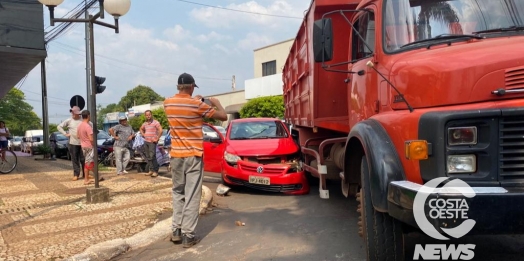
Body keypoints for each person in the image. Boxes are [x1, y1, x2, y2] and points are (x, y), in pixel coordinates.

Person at [164, 72, 227, 248]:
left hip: (176, 155)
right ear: (192, 87)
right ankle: (188, 235)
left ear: (178, 87)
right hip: (193, 155)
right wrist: (215, 103)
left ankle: (176, 230)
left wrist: (196, 101)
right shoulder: (197, 105)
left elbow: (184, 106)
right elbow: (223, 117)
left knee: (178, 192)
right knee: (192, 195)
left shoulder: (167, 103)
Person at [57, 106, 85, 181]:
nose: (72, 113)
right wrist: (65, 134)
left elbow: (91, 125)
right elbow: (59, 127)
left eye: (73, 112)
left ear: (78, 113)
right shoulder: (69, 120)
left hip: (83, 143)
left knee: (83, 159)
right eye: (71, 112)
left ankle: (85, 174)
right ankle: (76, 174)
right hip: (73, 143)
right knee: (75, 159)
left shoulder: (82, 120)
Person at [139, 110, 163, 177]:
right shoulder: (145, 123)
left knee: (152, 156)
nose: (148, 116)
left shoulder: (156, 122)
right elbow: (141, 129)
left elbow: (161, 130)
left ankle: (156, 171)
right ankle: (151, 170)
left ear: (151, 115)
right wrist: (143, 134)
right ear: (145, 116)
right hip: (146, 141)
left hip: (152, 142)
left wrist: (157, 138)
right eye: (146, 115)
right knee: (148, 157)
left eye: (149, 115)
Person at [77, 110, 97, 185]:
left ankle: (86, 179)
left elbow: (78, 136)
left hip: (83, 146)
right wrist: (94, 145)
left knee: (86, 162)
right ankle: (97, 175)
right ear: (88, 116)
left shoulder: (79, 125)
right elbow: (91, 138)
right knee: (89, 163)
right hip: (89, 146)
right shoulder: (88, 126)